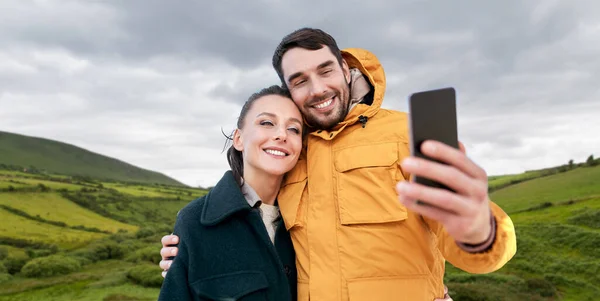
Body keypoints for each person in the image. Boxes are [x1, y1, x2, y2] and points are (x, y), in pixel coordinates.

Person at [160, 28, 517, 301]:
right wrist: (196, 254)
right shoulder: (292, 153)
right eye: (299, 81)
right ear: (289, 91)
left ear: (347, 70)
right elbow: (252, 214)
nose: (317, 89)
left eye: (326, 70)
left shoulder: (405, 132)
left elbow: (476, 252)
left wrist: (478, 232)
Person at [157, 85, 302, 301]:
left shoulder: (310, 220)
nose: (282, 134)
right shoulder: (193, 222)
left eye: (294, 129)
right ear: (238, 139)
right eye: (266, 123)